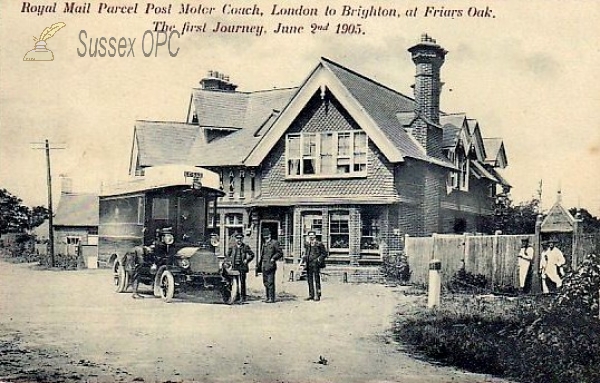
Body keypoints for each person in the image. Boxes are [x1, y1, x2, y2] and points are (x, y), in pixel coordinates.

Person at [224, 232, 254, 302]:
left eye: (240, 238)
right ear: (235, 239)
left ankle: (243, 298)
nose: (239, 240)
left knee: (242, 282)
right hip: (234, 267)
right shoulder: (232, 247)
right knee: (235, 282)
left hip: (242, 267)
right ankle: (236, 296)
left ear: (242, 239)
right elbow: (227, 255)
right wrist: (229, 262)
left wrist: (247, 260)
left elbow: (252, 254)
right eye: (237, 238)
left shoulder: (245, 247)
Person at [257, 228, 283, 303]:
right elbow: (262, 256)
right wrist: (259, 265)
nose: (266, 236)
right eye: (264, 235)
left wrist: (273, 258)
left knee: (270, 282)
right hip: (264, 265)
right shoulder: (264, 244)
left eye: (267, 234)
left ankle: (272, 298)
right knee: (265, 282)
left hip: (271, 265)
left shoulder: (274, 243)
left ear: (270, 234)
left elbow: (280, 253)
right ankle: (267, 297)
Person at [302, 231, 328, 301]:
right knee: (309, 280)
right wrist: (304, 258)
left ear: (315, 236)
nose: (311, 237)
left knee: (316, 279)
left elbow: (324, 254)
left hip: (316, 264)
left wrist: (319, 259)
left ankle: (317, 295)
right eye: (309, 235)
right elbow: (306, 253)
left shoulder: (319, 244)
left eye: (312, 235)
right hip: (308, 264)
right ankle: (311, 295)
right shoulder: (307, 244)